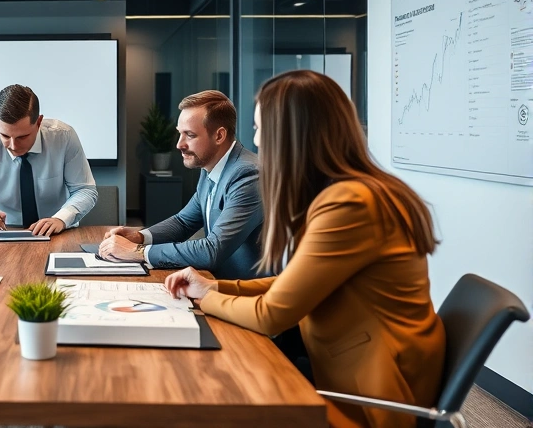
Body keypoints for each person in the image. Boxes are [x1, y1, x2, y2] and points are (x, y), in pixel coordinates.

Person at [165, 70, 445, 428]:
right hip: (349, 373)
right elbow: (290, 284)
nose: (256, 139)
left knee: (210, 398)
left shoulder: (351, 204)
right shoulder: (350, 192)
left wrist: (205, 299)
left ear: (291, 136)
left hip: (373, 399)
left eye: (261, 128)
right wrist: (214, 287)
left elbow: (272, 315)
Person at [99, 91, 262, 279]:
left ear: (219, 136)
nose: (179, 144)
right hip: (213, 283)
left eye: (190, 135)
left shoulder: (248, 174)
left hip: (245, 296)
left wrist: (138, 251)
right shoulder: (211, 166)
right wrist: (139, 237)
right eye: (180, 134)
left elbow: (212, 250)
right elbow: (183, 222)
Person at [0, 84, 98, 235]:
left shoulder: (64, 137)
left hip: (56, 230)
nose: (13, 146)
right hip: (4, 232)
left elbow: (85, 190)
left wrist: (61, 219)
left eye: (22, 137)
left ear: (38, 122)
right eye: (5, 136)